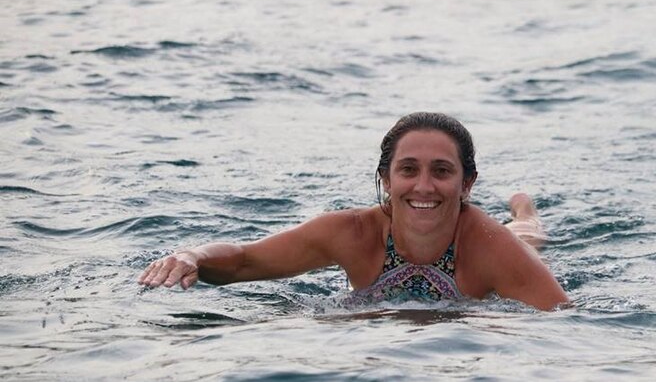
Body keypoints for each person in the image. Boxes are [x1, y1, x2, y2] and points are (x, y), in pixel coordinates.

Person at [138, 112, 569, 311]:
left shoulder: (492, 248)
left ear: (466, 183)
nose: (423, 186)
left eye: (441, 171)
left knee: (526, 237)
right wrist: (192, 256)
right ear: (385, 178)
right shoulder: (352, 232)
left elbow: (562, 319)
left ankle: (524, 212)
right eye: (408, 170)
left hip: (506, 249)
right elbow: (244, 260)